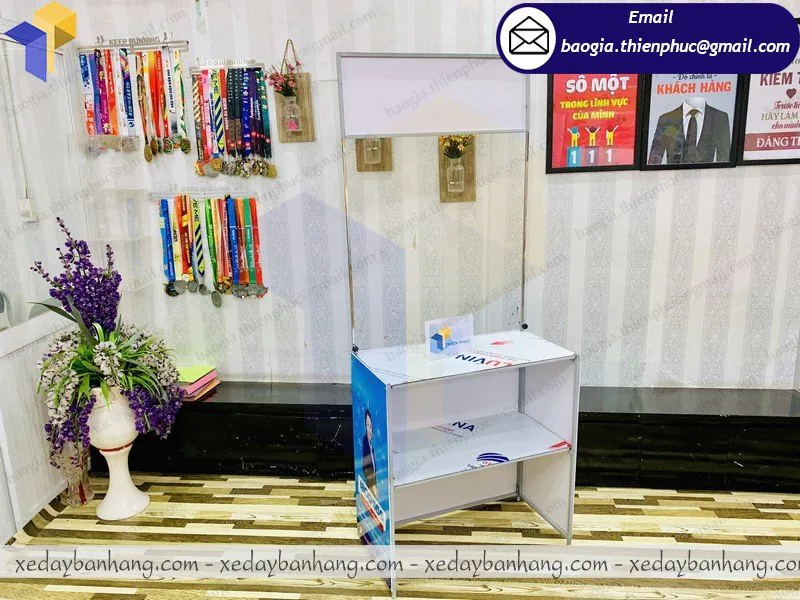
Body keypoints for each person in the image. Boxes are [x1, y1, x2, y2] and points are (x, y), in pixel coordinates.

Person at [647, 98, 730, 165]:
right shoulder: (666, 119)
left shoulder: (720, 117)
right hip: (673, 178)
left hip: (705, 177)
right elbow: (654, 158)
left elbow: (724, 157)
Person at [362, 409, 377, 497]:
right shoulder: (365, 442)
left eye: (371, 426)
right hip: (370, 483)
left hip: (373, 482)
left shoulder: (371, 446)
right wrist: (373, 484)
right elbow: (365, 466)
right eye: (367, 425)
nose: (369, 429)